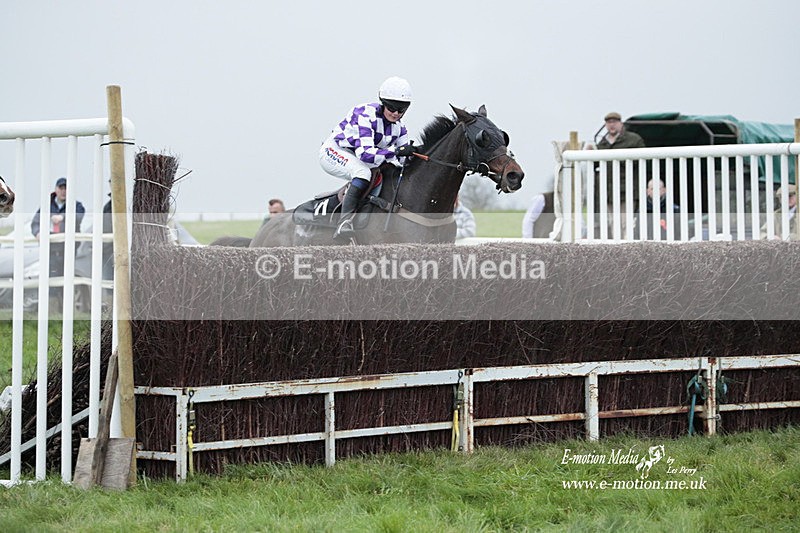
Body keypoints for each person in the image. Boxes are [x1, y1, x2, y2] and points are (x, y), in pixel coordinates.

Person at [319, 76, 416, 238]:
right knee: (363, 173)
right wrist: (396, 151)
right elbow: (365, 154)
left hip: (362, 157)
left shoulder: (400, 128)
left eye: (401, 109)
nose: (396, 113)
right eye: (392, 108)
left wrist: (412, 153)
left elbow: (402, 162)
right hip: (335, 151)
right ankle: (344, 222)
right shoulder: (364, 114)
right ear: (383, 102)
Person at [31, 177, 86, 305]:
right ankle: (53, 312)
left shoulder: (76, 205)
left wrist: (63, 217)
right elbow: (35, 222)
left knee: (67, 281)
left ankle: (67, 310)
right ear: (56, 190)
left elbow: (78, 216)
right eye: (61, 188)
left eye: (66, 188)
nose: (64, 191)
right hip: (50, 251)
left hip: (68, 251)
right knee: (51, 281)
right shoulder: (46, 206)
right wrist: (37, 232)